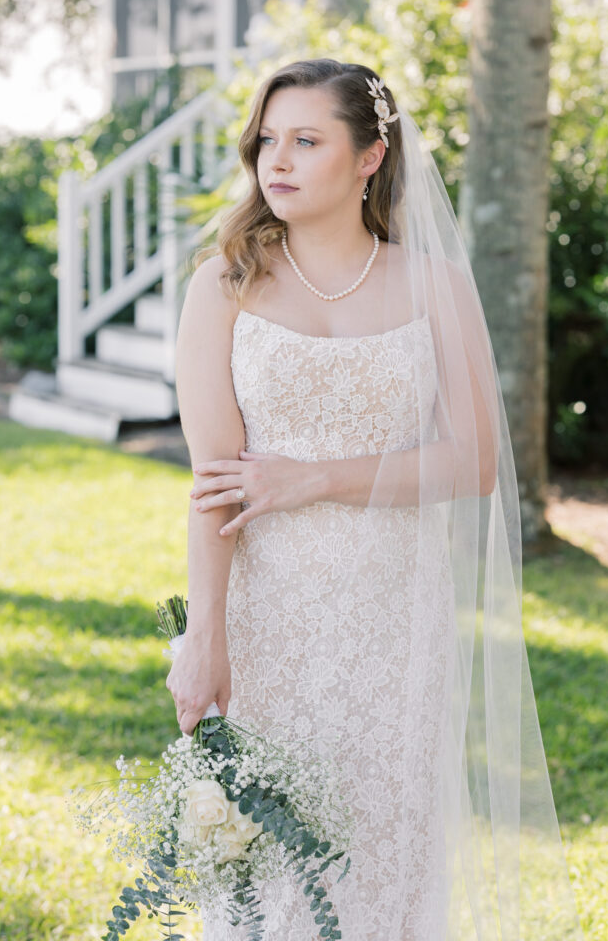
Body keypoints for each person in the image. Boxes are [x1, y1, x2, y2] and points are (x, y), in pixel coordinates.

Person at [166, 59, 585, 940]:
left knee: (387, 857)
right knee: (269, 870)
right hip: (269, 616)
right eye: (267, 140)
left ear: (368, 157)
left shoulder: (434, 285)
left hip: (395, 614)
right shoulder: (223, 284)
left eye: (306, 140)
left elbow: (473, 462)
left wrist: (308, 476)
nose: (275, 160)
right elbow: (214, 486)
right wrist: (205, 636)